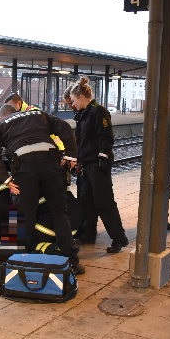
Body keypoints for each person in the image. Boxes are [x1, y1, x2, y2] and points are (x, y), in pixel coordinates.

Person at [0, 103, 84, 274]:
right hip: (51, 164)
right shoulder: (37, 114)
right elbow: (65, 127)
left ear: (3, 116)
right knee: (60, 213)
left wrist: (6, 179)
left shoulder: (0, 124)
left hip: (25, 168)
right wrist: (70, 155)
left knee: (23, 217)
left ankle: (23, 262)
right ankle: (72, 262)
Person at [68, 77, 129, 253]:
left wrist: (103, 157)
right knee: (85, 201)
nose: (72, 104)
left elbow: (105, 136)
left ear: (80, 97)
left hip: (97, 164)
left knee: (104, 202)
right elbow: (81, 141)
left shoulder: (98, 112)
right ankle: (87, 234)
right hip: (86, 165)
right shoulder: (82, 114)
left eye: (73, 100)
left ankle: (119, 238)